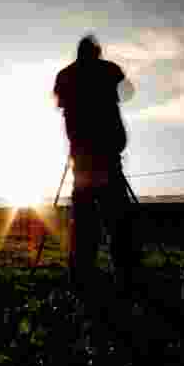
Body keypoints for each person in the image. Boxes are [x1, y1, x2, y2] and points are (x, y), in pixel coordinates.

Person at [53, 34, 139, 291]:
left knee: (84, 220)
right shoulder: (109, 70)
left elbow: (58, 103)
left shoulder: (65, 75)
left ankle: (81, 275)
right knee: (117, 219)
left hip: (81, 156)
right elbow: (129, 93)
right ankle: (126, 274)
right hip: (107, 153)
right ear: (97, 52)